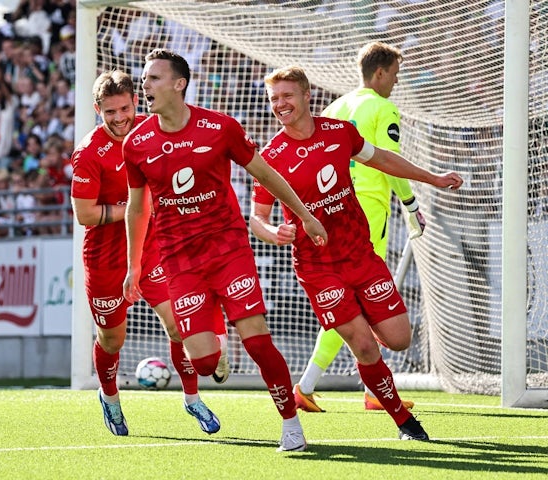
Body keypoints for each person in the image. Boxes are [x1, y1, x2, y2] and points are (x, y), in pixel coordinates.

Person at [122, 49, 328, 452]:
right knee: (202, 363)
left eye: (153, 78)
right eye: (144, 79)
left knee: (256, 340)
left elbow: (266, 173)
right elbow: (135, 207)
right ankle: (214, 336)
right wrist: (133, 267)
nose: (144, 85)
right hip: (180, 262)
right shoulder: (136, 143)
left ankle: (291, 424)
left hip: (228, 250)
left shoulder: (219, 127)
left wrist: (304, 215)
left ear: (179, 84)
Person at [251, 65, 463, 441]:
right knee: (364, 345)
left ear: (305, 95)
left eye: (286, 96)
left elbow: (382, 159)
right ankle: (403, 421)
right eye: (274, 99)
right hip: (318, 266)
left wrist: (433, 178)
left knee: (398, 339)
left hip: (361, 255)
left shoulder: (340, 132)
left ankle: (361, 326)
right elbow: (258, 217)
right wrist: (273, 233)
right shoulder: (271, 156)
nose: (280, 104)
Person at [70, 70, 229, 438]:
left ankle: (192, 400)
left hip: (153, 249)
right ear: (98, 110)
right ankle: (109, 397)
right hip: (106, 259)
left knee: (179, 325)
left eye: (124, 108)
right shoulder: (89, 153)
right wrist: (131, 208)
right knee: (112, 340)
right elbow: (85, 214)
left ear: (135, 103)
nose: (119, 117)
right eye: (110, 111)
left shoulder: (153, 132)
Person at [294, 41, 426, 413]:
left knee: (353, 304)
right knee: (361, 303)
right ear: (380, 72)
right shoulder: (382, 107)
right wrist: (411, 203)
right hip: (365, 211)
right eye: (395, 75)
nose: (396, 83)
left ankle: (369, 391)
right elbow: (389, 160)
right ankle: (306, 385)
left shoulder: (335, 106)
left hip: (331, 206)